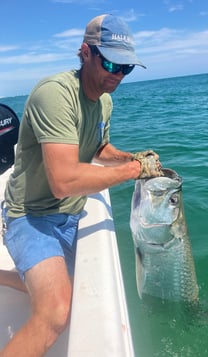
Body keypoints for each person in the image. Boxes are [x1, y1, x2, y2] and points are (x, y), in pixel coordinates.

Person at [0, 14, 162, 356]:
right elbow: (63, 181)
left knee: (70, 290)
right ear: (85, 53)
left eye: (126, 68)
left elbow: (98, 147)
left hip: (71, 214)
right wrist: (133, 171)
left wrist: (131, 158)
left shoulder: (104, 100)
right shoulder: (54, 94)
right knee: (57, 311)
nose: (117, 75)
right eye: (111, 63)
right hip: (31, 215)